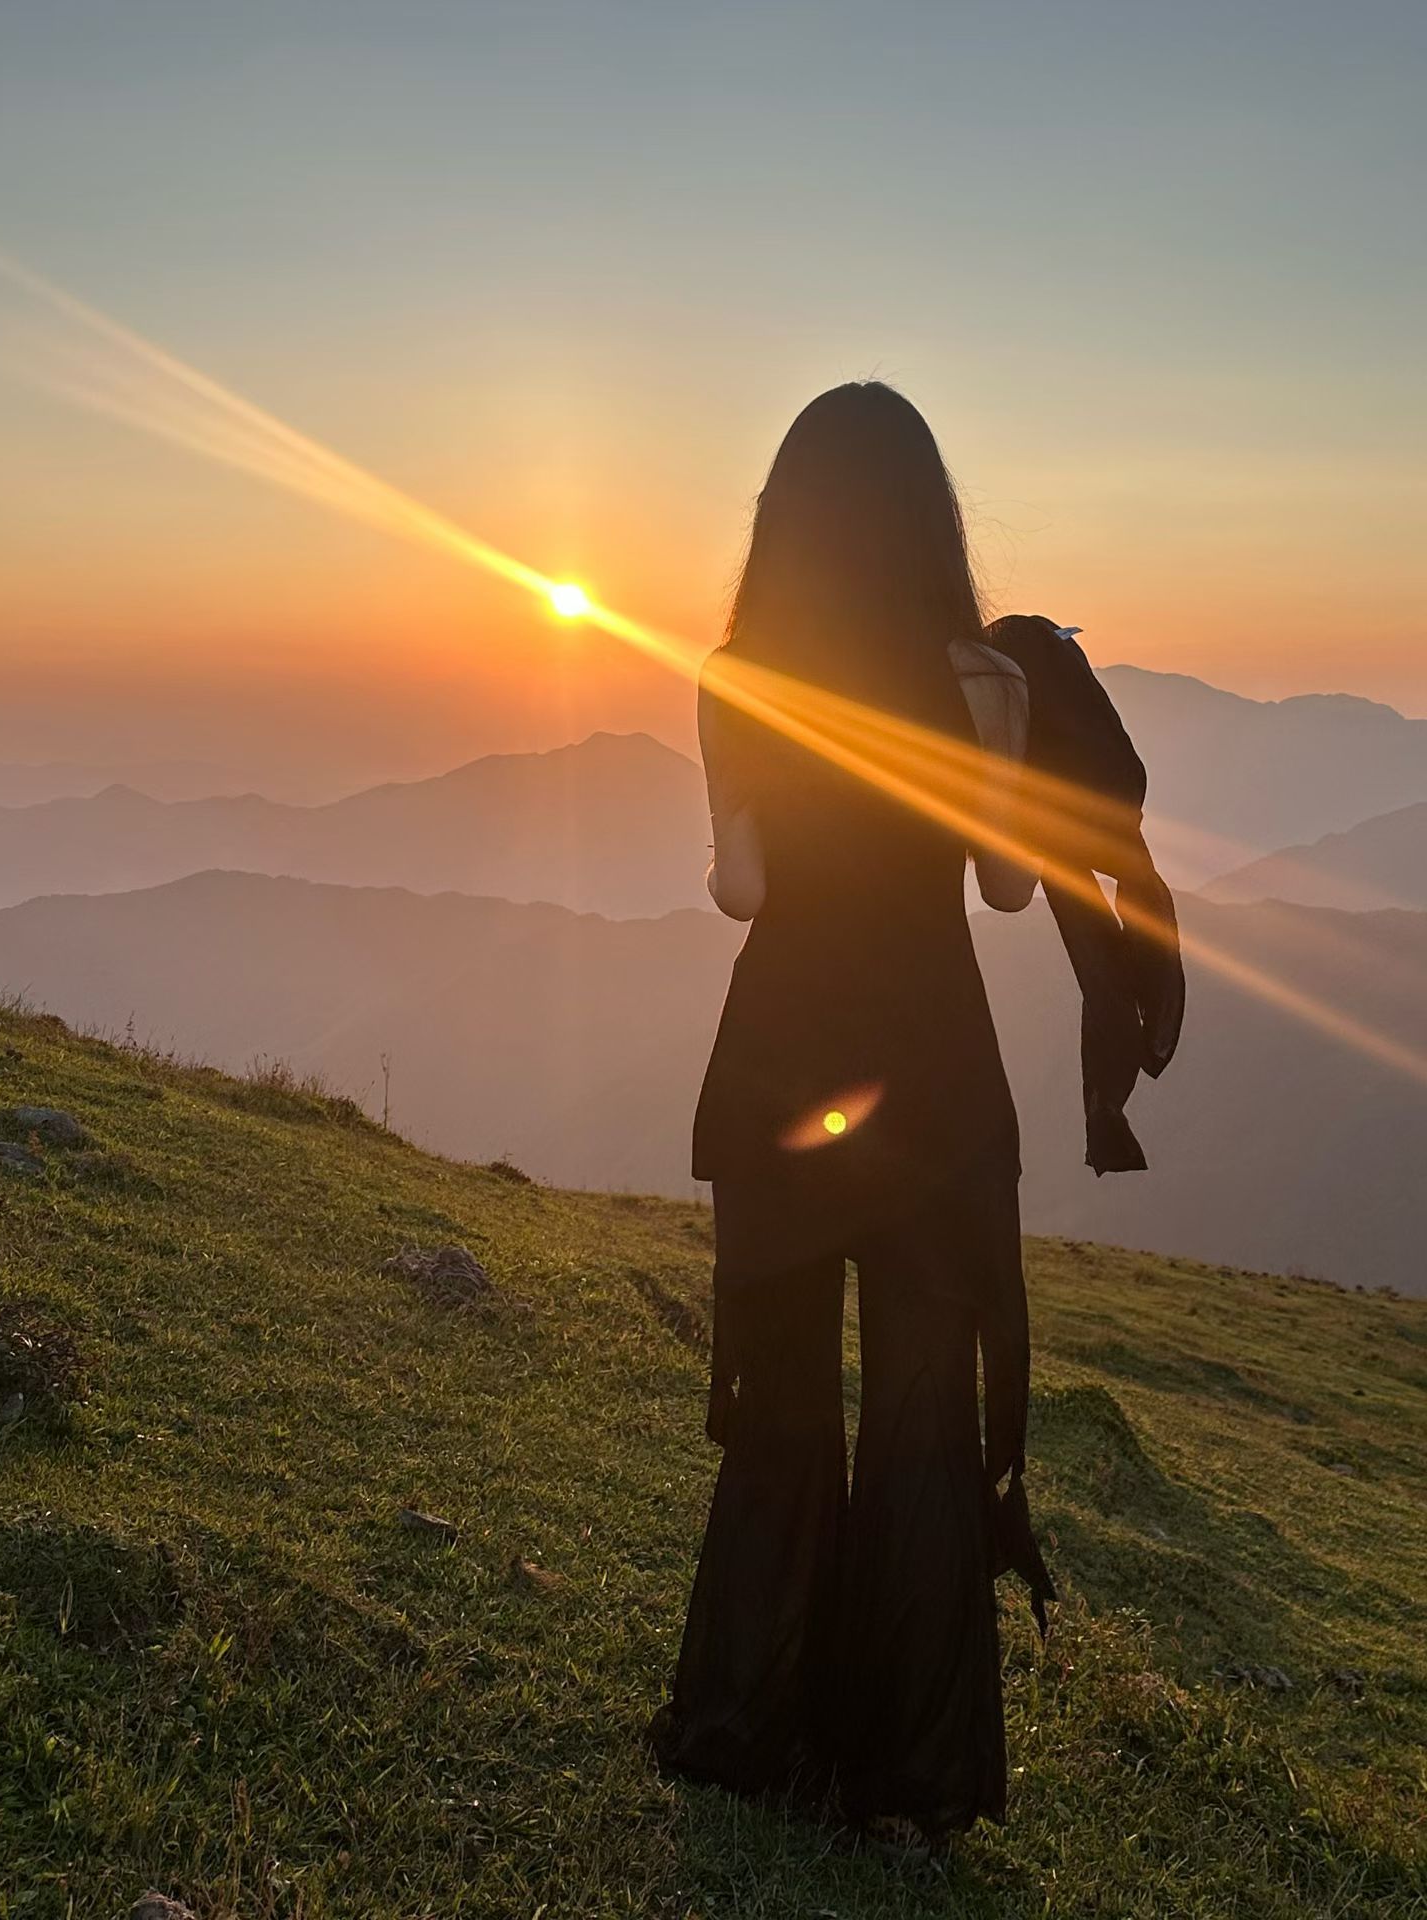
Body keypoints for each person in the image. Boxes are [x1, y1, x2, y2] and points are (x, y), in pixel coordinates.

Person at [649, 381, 1056, 1854]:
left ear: (788, 525)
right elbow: (1008, 885)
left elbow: (740, 892)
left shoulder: (739, 674)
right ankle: (912, 1779)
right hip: (937, 1078)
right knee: (921, 1422)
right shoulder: (982, 684)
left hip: (781, 1067)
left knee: (784, 1416)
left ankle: (747, 1732)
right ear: (929, 524)